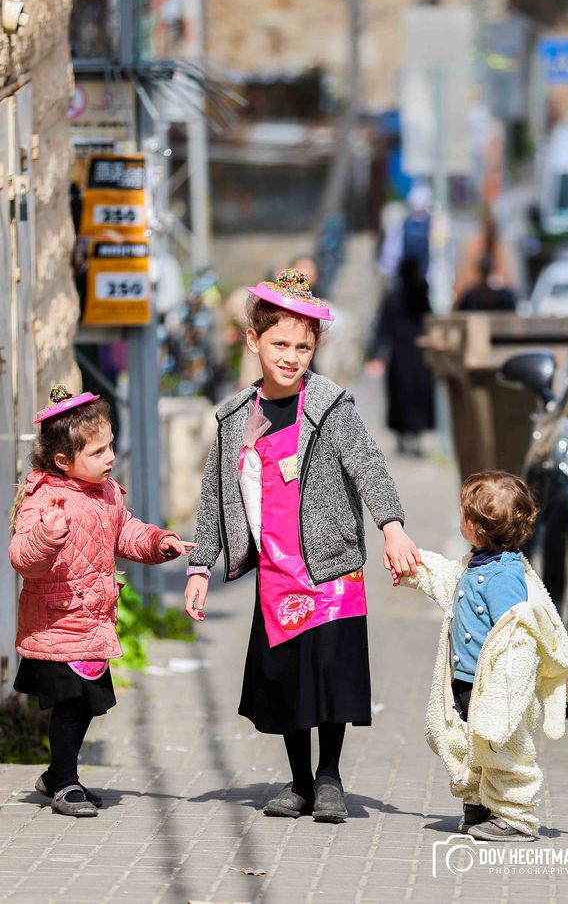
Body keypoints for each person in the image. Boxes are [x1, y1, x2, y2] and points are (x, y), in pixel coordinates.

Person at [184, 268, 422, 824]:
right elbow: (215, 494)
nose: (291, 357)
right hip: (278, 570)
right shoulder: (235, 418)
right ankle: (298, 782)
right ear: (253, 341)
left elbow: (368, 465)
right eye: (280, 345)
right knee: (289, 677)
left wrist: (391, 526)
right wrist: (199, 566)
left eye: (303, 347)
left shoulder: (330, 406)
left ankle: (329, 777)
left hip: (332, 562)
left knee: (331, 673)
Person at [11, 386, 193, 817]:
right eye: (97, 452)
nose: (109, 457)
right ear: (63, 460)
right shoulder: (44, 498)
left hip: (92, 620)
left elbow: (124, 530)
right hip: (57, 621)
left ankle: (56, 775)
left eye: (110, 446)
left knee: (88, 705)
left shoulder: (106, 491)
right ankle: (65, 785)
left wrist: (157, 542)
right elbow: (22, 557)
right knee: (71, 706)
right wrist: (47, 535)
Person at [396, 471, 568, 842]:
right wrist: (416, 568)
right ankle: (479, 803)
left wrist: (506, 689)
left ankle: (515, 814)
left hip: (493, 688)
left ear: (476, 527)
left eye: (464, 514)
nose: (460, 518)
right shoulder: (478, 563)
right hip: (465, 680)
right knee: (470, 744)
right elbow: (450, 581)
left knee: (502, 748)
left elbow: (516, 635)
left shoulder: (504, 576)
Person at [369, 255, 437, 456]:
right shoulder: (415, 292)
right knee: (409, 395)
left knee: (407, 395)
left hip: (404, 353)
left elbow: (382, 326)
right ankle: (411, 436)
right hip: (412, 353)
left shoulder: (400, 294)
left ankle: (408, 436)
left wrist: (376, 352)